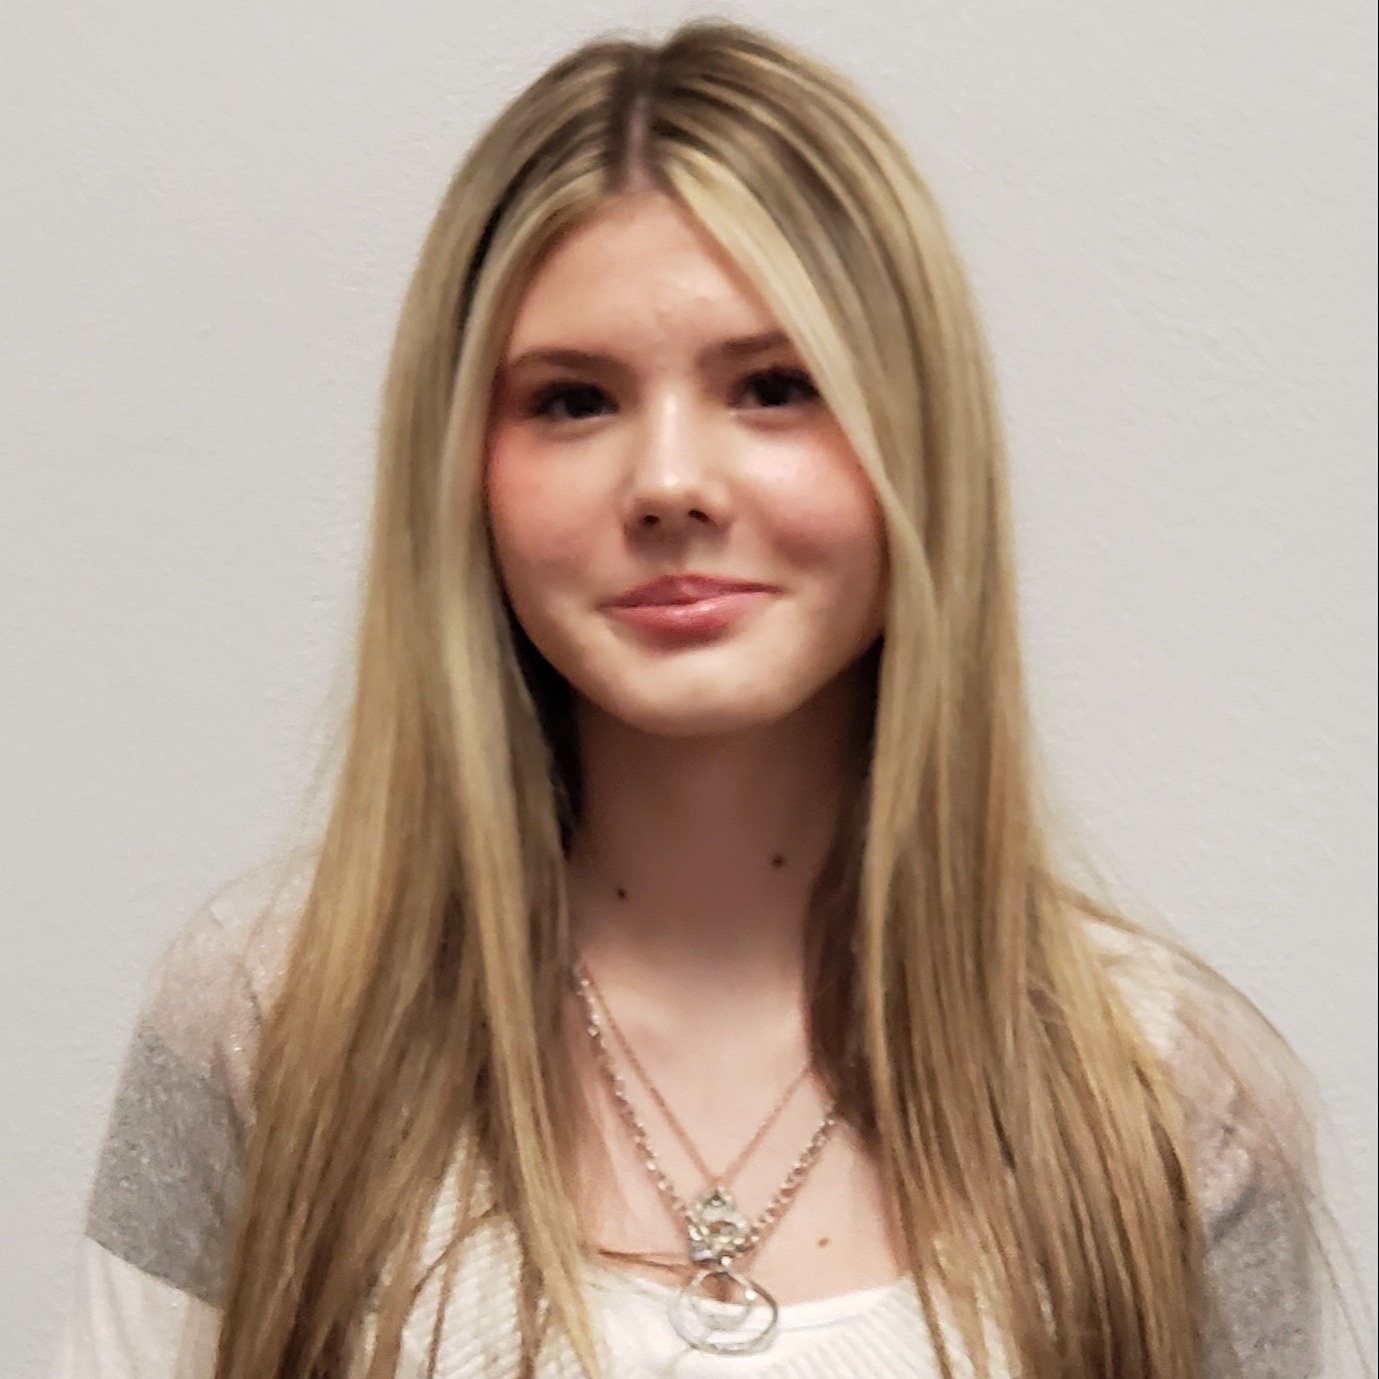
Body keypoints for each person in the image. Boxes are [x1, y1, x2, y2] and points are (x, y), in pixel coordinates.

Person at [55, 19, 1323, 1379]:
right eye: (573, 401)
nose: (669, 482)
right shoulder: (272, 1021)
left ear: (922, 443)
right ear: (463, 468)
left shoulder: (1164, 1095)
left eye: (774, 388)